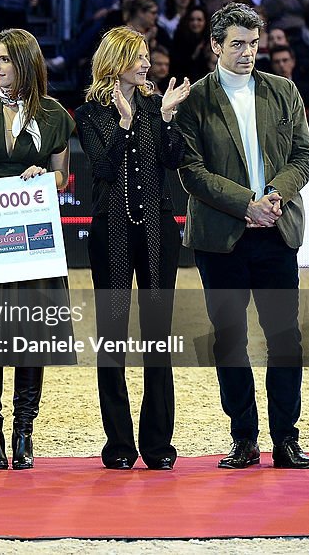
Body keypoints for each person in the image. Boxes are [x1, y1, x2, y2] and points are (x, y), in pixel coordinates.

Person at [176, 3, 309, 470]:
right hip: (221, 238)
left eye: (254, 43)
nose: (248, 52)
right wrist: (246, 204)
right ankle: (244, 439)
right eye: (238, 43)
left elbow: (305, 156)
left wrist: (274, 194)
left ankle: (286, 440)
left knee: (285, 339)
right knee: (229, 339)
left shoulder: (284, 91)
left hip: (277, 231)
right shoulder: (194, 100)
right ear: (215, 46)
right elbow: (191, 172)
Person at [0, 28, 75, 470]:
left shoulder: (53, 115)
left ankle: (25, 432)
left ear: (25, 63)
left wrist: (43, 177)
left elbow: (62, 177)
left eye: (4, 59)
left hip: (34, 237)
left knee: (30, 334)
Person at [76, 26, 191, 470]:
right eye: (139, 56)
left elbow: (174, 157)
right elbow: (102, 168)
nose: (147, 62)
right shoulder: (89, 113)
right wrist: (124, 126)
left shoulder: (153, 103)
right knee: (113, 339)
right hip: (112, 232)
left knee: (158, 339)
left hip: (159, 229)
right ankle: (119, 445)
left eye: (147, 55)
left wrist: (163, 118)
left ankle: (159, 445)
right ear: (117, 59)